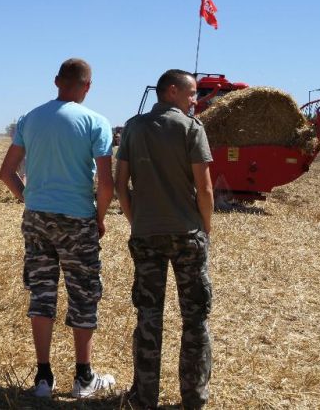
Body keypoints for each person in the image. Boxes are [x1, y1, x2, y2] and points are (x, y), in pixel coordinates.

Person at [0, 58, 115, 399]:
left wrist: (29, 199)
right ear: (88, 87)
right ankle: (83, 378)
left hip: (37, 217)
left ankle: (43, 379)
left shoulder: (30, 119)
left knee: (42, 293)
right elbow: (106, 183)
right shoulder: (96, 122)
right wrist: (100, 216)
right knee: (83, 294)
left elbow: (6, 173)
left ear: (56, 81)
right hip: (78, 219)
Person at [115, 69, 214, 410]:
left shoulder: (133, 127)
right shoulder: (191, 129)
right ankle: (194, 397)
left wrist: (135, 221)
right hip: (187, 236)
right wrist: (205, 227)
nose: (195, 101)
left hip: (146, 236)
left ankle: (144, 398)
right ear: (172, 91)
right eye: (192, 94)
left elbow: (120, 184)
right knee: (195, 319)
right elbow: (205, 188)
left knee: (148, 317)